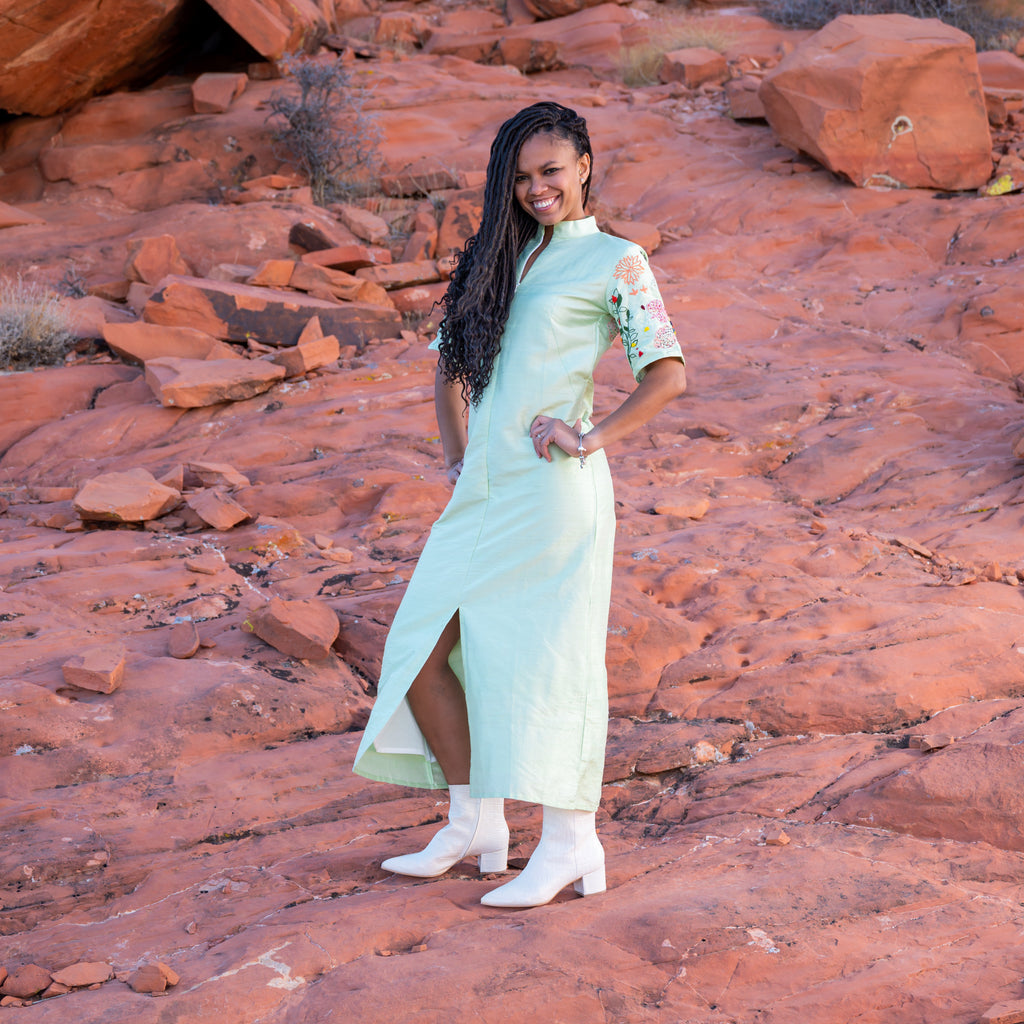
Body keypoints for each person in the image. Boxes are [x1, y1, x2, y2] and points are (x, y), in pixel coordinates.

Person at [353, 101, 686, 908]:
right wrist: (458, 455)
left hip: (552, 492)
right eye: (522, 176)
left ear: (584, 167)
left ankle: (571, 843)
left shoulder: (616, 260)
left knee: (547, 663)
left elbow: (667, 373)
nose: (538, 188)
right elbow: (448, 369)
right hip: (482, 494)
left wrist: (590, 436)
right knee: (420, 649)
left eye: (552, 171)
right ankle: (475, 822)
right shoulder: (495, 261)